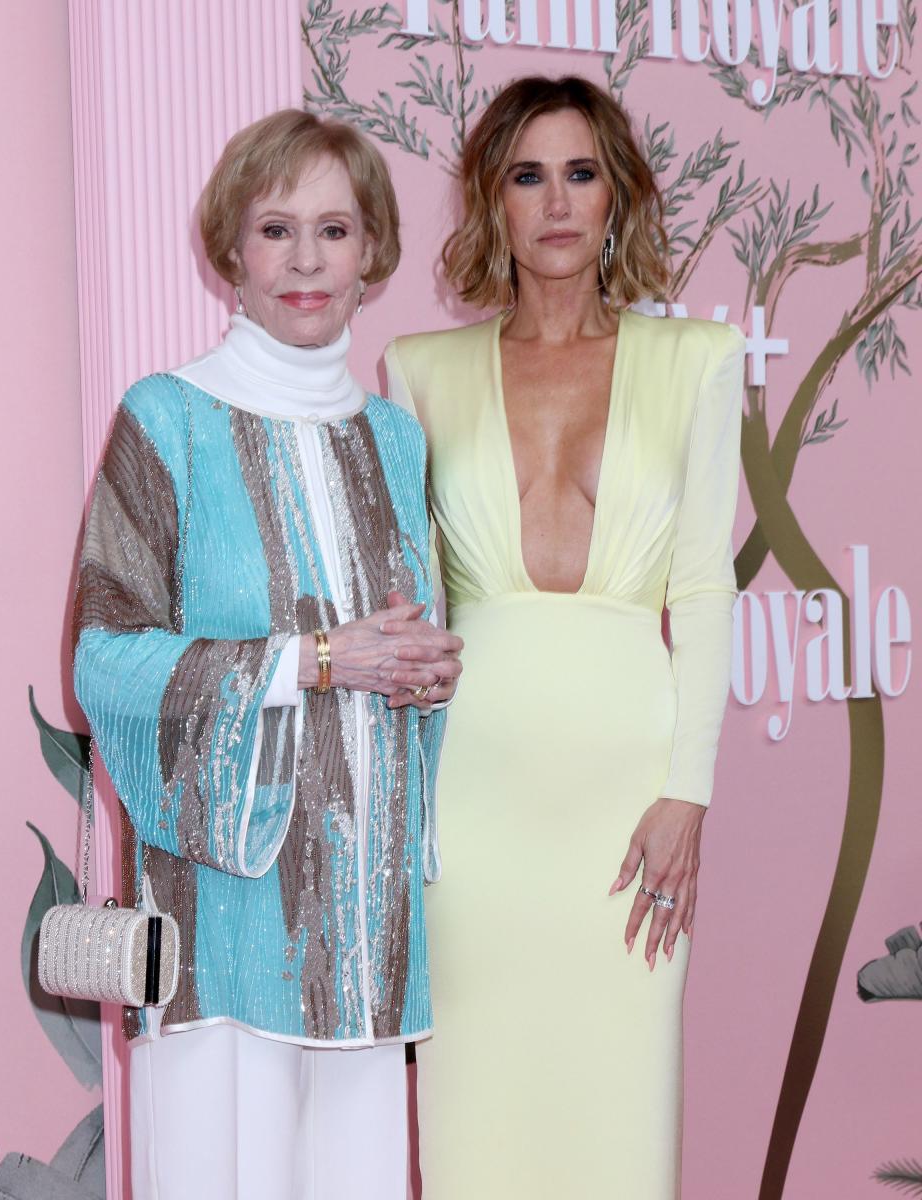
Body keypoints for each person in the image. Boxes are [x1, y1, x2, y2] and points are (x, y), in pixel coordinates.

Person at [73, 109, 461, 1200]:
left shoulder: (393, 438)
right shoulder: (168, 420)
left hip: (367, 920)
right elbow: (104, 654)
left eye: (333, 231)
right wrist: (317, 660)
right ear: (229, 254)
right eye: (275, 228)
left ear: (371, 251)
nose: (305, 260)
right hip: (222, 925)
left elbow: (399, 644)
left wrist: (425, 675)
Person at [385, 75, 744, 1198]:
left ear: (617, 196)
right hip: (474, 801)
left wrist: (689, 792)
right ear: (493, 202)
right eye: (527, 175)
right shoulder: (416, 372)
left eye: (581, 173)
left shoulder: (699, 361)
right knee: (476, 1116)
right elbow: (416, 605)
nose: (556, 202)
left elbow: (705, 589)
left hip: (628, 803)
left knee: (619, 1111)